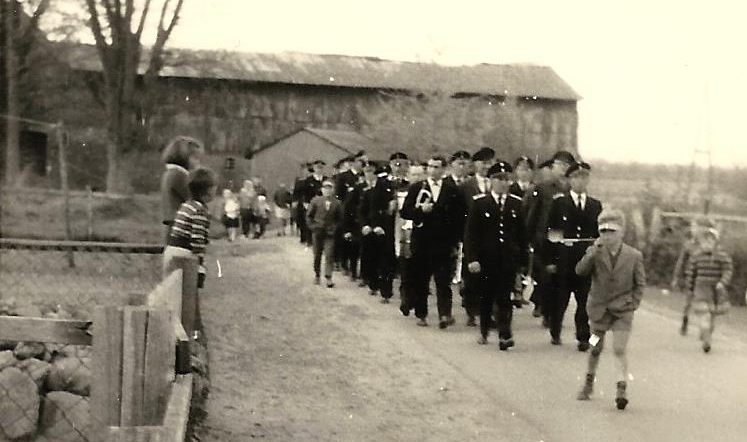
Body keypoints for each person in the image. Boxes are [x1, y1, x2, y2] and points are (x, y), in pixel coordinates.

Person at [575, 209, 645, 410]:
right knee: (594, 346)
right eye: (603, 231)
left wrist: (633, 304)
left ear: (622, 232)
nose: (607, 235)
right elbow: (580, 271)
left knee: (619, 348)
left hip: (622, 312)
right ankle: (588, 383)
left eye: (612, 231)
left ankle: (621, 388)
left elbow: (640, 283)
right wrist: (592, 253)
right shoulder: (595, 252)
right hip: (598, 313)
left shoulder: (634, 256)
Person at [464, 160, 527, 350]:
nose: (503, 183)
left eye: (506, 179)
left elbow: (522, 235)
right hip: (485, 260)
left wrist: (523, 261)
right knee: (486, 297)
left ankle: (505, 334)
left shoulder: (516, 204)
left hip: (507, 260)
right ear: (491, 181)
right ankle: (484, 330)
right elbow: (471, 234)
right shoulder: (480, 203)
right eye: (498, 179)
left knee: (504, 298)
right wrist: (472, 258)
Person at [401, 156, 466, 329]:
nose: (433, 170)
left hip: (444, 243)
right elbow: (405, 211)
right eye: (430, 166)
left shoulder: (452, 190)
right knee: (421, 280)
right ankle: (421, 314)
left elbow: (459, 218)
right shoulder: (417, 188)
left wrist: (456, 242)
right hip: (422, 242)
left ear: (443, 170)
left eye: (437, 167)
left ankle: (444, 314)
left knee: (443, 281)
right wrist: (420, 209)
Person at [544, 161, 603, 350]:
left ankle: (583, 336)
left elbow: (598, 234)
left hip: (585, 261)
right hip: (563, 260)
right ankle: (555, 330)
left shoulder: (595, 205)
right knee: (560, 299)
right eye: (576, 177)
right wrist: (551, 260)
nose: (580, 181)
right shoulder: (559, 203)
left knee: (584, 300)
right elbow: (552, 233)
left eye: (584, 177)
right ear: (569, 180)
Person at [525, 150, 576, 322]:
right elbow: (532, 214)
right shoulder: (543, 187)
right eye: (560, 165)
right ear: (553, 167)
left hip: (565, 240)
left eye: (567, 166)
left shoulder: (573, 188)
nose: (563, 169)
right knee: (545, 277)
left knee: (561, 280)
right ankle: (545, 309)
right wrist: (529, 237)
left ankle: (554, 313)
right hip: (544, 240)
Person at [458, 147, 496, 326]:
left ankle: (489, 312)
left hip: (493, 236)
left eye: (489, 163)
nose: (486, 167)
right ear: (475, 164)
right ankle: (472, 311)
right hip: (472, 235)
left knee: (492, 274)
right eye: (482, 163)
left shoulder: (497, 184)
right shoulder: (466, 186)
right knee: (472, 274)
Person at [163, 168, 217, 288]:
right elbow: (197, 239)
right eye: (214, 187)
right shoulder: (200, 211)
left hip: (172, 250)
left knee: (173, 290)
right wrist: (200, 261)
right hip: (184, 253)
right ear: (208, 191)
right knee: (186, 292)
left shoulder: (186, 205)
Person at [683, 226, 733, 353]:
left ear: (715, 243)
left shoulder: (722, 257)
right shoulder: (696, 257)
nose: (706, 245)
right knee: (704, 314)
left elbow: (728, 270)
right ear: (700, 243)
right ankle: (706, 341)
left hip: (716, 290)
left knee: (712, 316)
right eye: (704, 242)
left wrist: (723, 282)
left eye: (710, 242)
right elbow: (691, 273)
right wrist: (690, 288)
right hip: (701, 290)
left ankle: (707, 333)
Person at [359, 163, 398, 302]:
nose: (368, 174)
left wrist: (383, 225)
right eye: (366, 172)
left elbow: (392, 211)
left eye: (371, 172)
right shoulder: (368, 192)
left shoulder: (390, 189)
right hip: (374, 230)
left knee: (386, 261)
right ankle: (374, 284)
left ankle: (386, 292)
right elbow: (364, 212)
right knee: (372, 259)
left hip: (389, 230)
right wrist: (366, 225)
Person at [160, 136, 204, 243]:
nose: (198, 162)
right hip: (180, 225)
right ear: (184, 157)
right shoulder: (179, 175)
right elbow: (193, 198)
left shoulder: (171, 173)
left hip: (173, 224)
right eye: (195, 158)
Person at [306, 180, 344, 287]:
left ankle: (328, 277)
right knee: (317, 255)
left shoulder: (337, 203)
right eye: (325, 188)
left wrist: (335, 228)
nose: (327, 190)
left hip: (330, 233)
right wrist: (313, 227)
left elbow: (340, 219)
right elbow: (309, 216)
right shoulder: (315, 201)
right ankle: (317, 274)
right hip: (317, 232)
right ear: (322, 190)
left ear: (333, 190)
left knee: (329, 254)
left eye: (329, 188)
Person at [303, 160, 327, 247]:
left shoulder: (326, 179)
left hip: (323, 205)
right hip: (312, 204)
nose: (319, 170)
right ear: (314, 168)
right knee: (312, 221)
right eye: (318, 168)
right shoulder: (308, 180)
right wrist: (306, 204)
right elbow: (305, 193)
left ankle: (322, 240)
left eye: (321, 168)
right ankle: (310, 240)